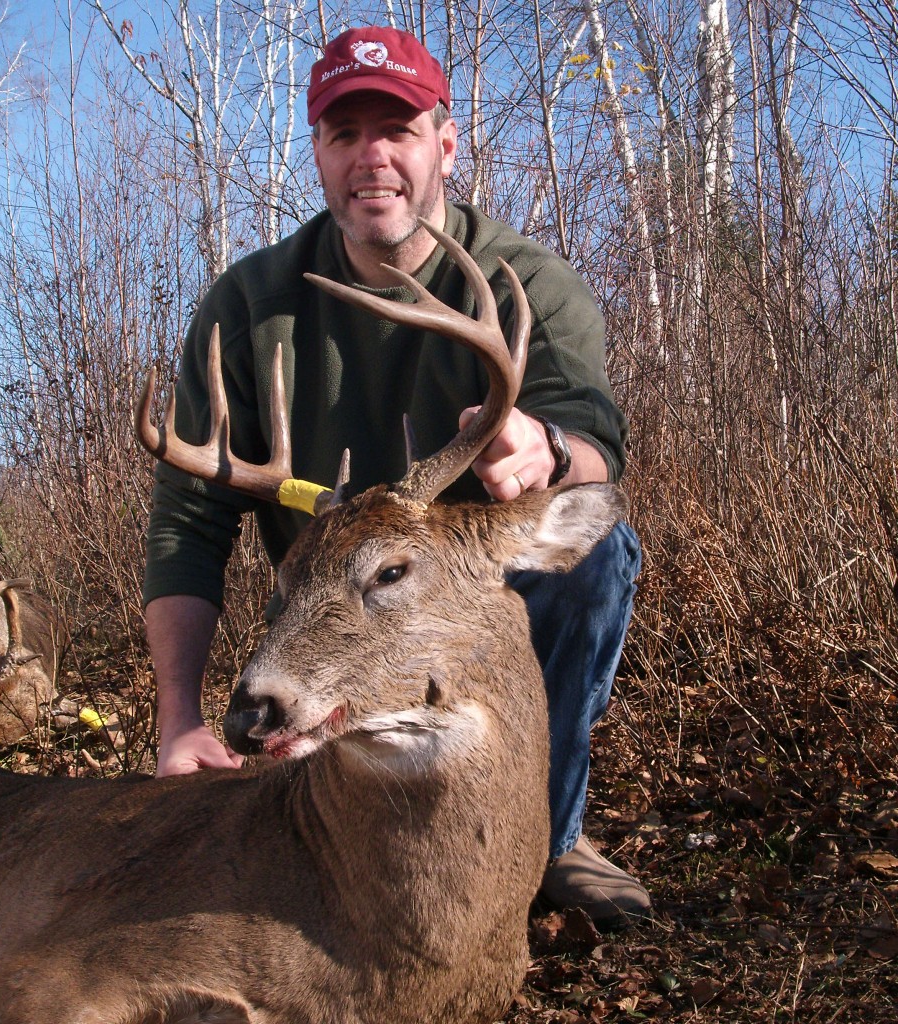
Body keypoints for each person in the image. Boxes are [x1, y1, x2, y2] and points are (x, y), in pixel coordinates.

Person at [143, 25, 650, 928]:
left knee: (597, 553)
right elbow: (189, 522)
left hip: (477, 594)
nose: (371, 157)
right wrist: (176, 719)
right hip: (331, 599)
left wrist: (547, 449)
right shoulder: (251, 304)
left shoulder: (526, 284)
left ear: (444, 146)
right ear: (319, 154)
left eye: (398, 130)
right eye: (345, 135)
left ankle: (553, 829)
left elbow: (596, 444)